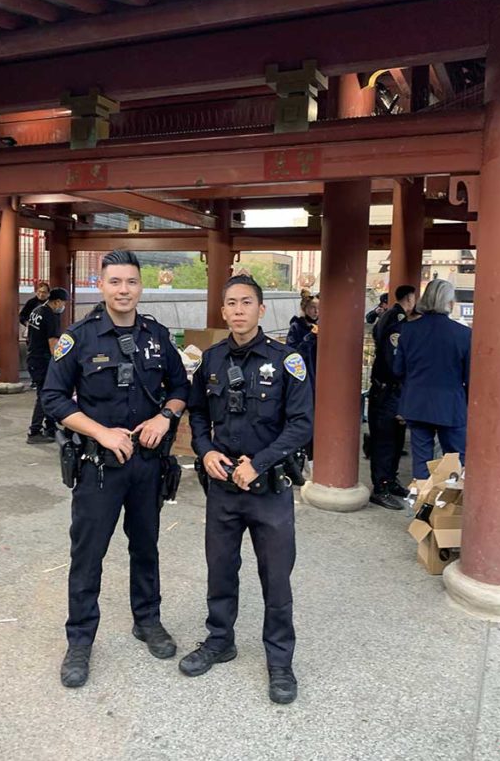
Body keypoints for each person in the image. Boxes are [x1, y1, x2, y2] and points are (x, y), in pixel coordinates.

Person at [41, 250, 189, 689]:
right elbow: (53, 397)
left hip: (146, 466)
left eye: (131, 282)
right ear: (101, 285)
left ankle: (147, 620)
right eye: (115, 282)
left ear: (140, 287)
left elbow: (181, 388)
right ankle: (80, 640)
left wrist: (166, 417)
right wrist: (101, 432)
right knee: (87, 556)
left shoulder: (157, 336)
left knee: (146, 547)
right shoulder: (79, 338)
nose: (123, 290)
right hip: (97, 467)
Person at [182, 275, 313, 705]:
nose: (238, 310)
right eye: (231, 303)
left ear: (261, 310)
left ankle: (280, 660)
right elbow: (198, 413)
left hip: (268, 489)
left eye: (247, 303)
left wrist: (258, 463)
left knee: (276, 577)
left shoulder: (287, 360)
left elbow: (301, 424)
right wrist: (204, 451)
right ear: (222, 311)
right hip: (223, 487)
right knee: (220, 569)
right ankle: (220, 640)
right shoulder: (212, 360)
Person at [393, 279, 471, 479]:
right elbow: (469, 376)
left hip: (417, 401)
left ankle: (422, 504)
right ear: (450, 302)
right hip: (451, 403)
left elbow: (398, 369)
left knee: (421, 459)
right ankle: (447, 504)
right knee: (455, 458)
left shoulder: (408, 331)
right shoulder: (464, 334)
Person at [367, 284, 416, 510]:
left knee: (396, 439)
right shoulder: (396, 319)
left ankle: (390, 479)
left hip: (390, 389)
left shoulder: (389, 316)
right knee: (385, 440)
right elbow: (393, 358)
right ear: (410, 298)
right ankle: (381, 487)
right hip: (388, 389)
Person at [25, 287, 69, 444]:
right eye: (63, 303)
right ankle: (34, 431)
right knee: (44, 395)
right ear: (57, 302)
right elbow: (53, 344)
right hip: (43, 360)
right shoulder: (50, 316)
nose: (63, 307)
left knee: (47, 393)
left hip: (33, 357)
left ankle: (50, 427)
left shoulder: (37, 310)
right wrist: (60, 363)